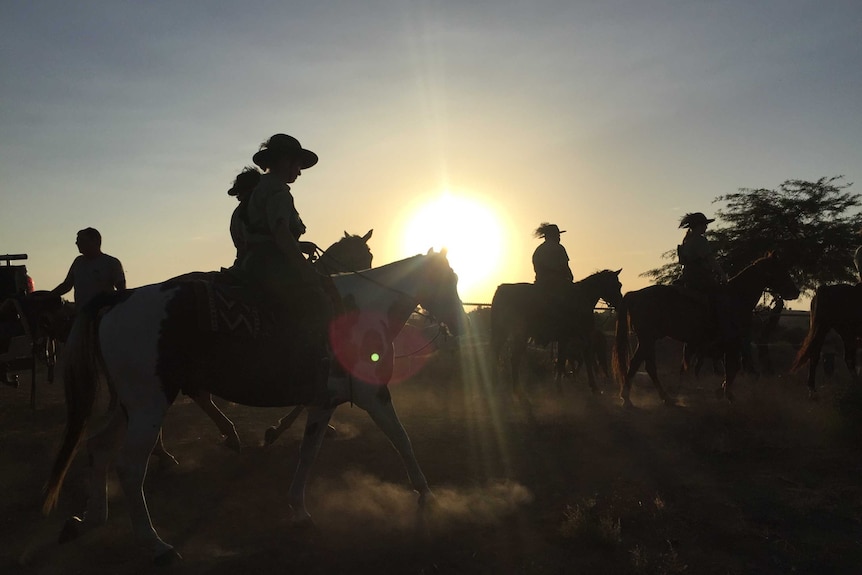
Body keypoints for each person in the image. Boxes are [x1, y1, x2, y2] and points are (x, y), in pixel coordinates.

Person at [238, 133, 336, 398]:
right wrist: (306, 270)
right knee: (320, 301)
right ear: (283, 162)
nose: (299, 172)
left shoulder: (259, 189)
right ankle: (308, 373)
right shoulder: (279, 191)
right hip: (273, 266)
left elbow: (265, 232)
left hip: (254, 261)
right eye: (297, 165)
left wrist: (299, 245)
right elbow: (281, 233)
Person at [51, 227, 126, 309]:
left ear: (95, 241)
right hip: (81, 312)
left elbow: (121, 291)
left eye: (81, 240)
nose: (77, 243)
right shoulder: (78, 262)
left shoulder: (111, 263)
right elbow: (67, 285)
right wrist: (48, 296)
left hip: (104, 314)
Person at [676, 212, 727, 291]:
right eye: (704, 225)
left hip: (686, 276)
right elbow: (710, 259)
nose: (706, 227)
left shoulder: (686, 240)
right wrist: (722, 273)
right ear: (699, 226)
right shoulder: (700, 240)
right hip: (699, 277)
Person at [532, 222, 574, 288]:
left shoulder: (539, 250)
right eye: (558, 235)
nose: (559, 238)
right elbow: (565, 267)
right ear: (553, 236)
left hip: (541, 283)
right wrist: (570, 278)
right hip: (557, 284)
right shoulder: (558, 248)